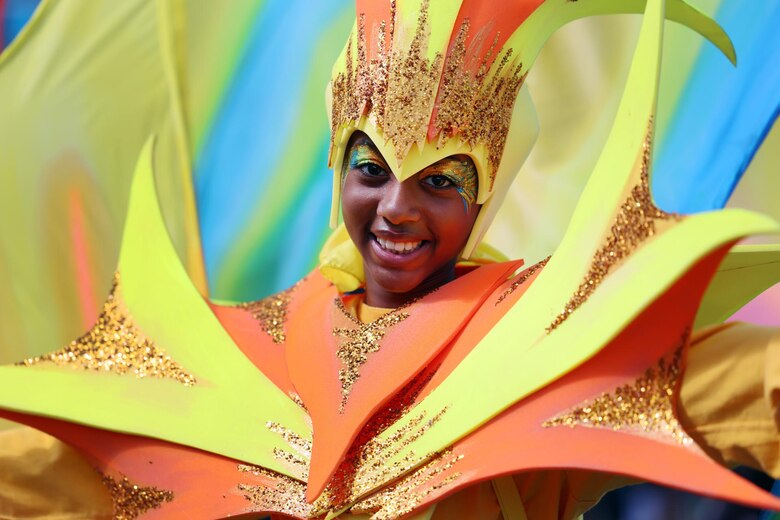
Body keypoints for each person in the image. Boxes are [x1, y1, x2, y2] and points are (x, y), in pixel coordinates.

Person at [1, 0, 780, 518]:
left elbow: (748, 388)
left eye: (442, 180)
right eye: (372, 170)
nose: (399, 209)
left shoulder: (539, 345)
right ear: (338, 169)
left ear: (485, 195)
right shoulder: (236, 352)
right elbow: (46, 468)